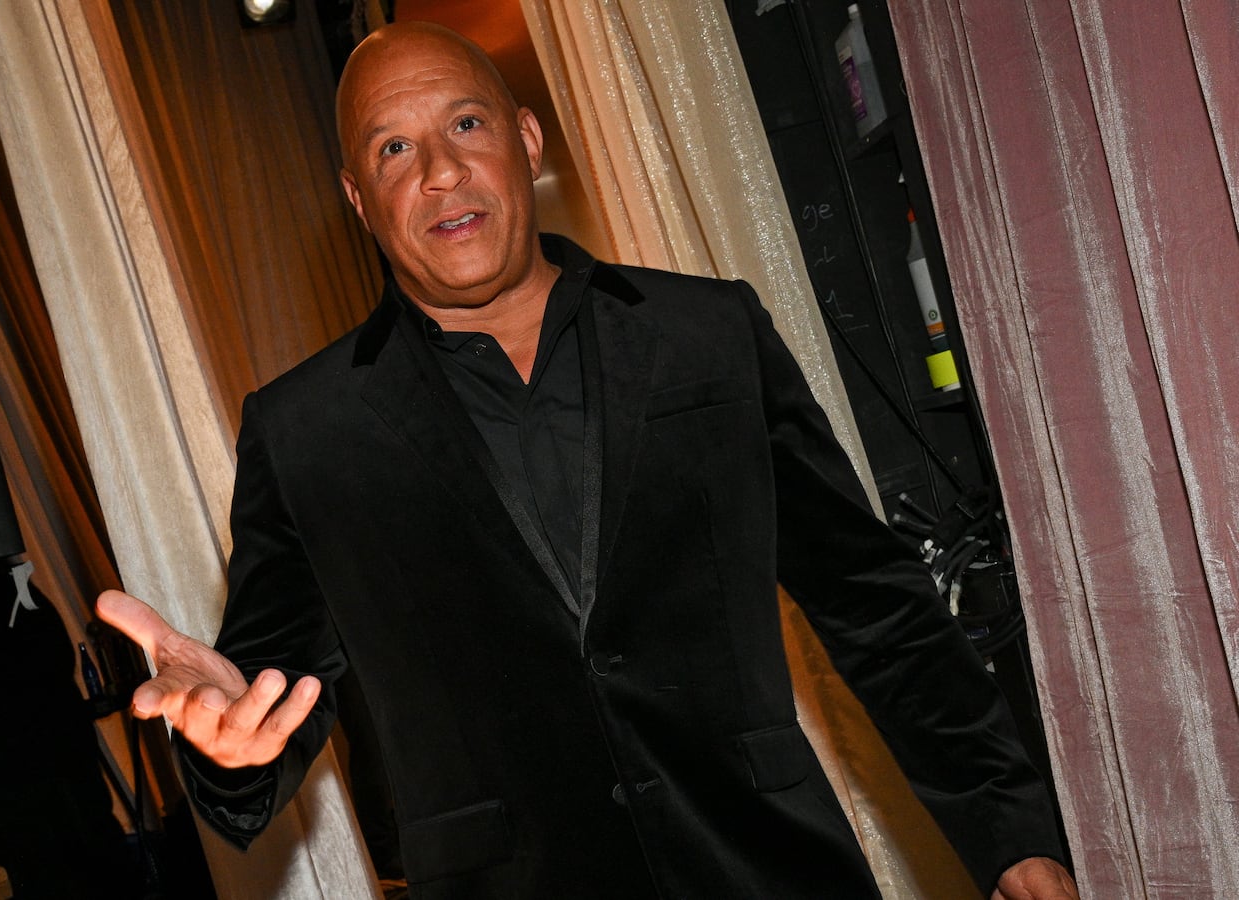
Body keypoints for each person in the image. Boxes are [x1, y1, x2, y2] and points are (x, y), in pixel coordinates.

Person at [98, 21, 1079, 900]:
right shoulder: (305, 429)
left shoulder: (707, 336)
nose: (439, 171)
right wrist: (230, 754)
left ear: (527, 139)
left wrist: (1009, 835)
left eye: (466, 126)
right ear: (358, 199)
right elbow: (269, 696)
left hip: (767, 873)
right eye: (394, 148)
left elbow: (876, 607)